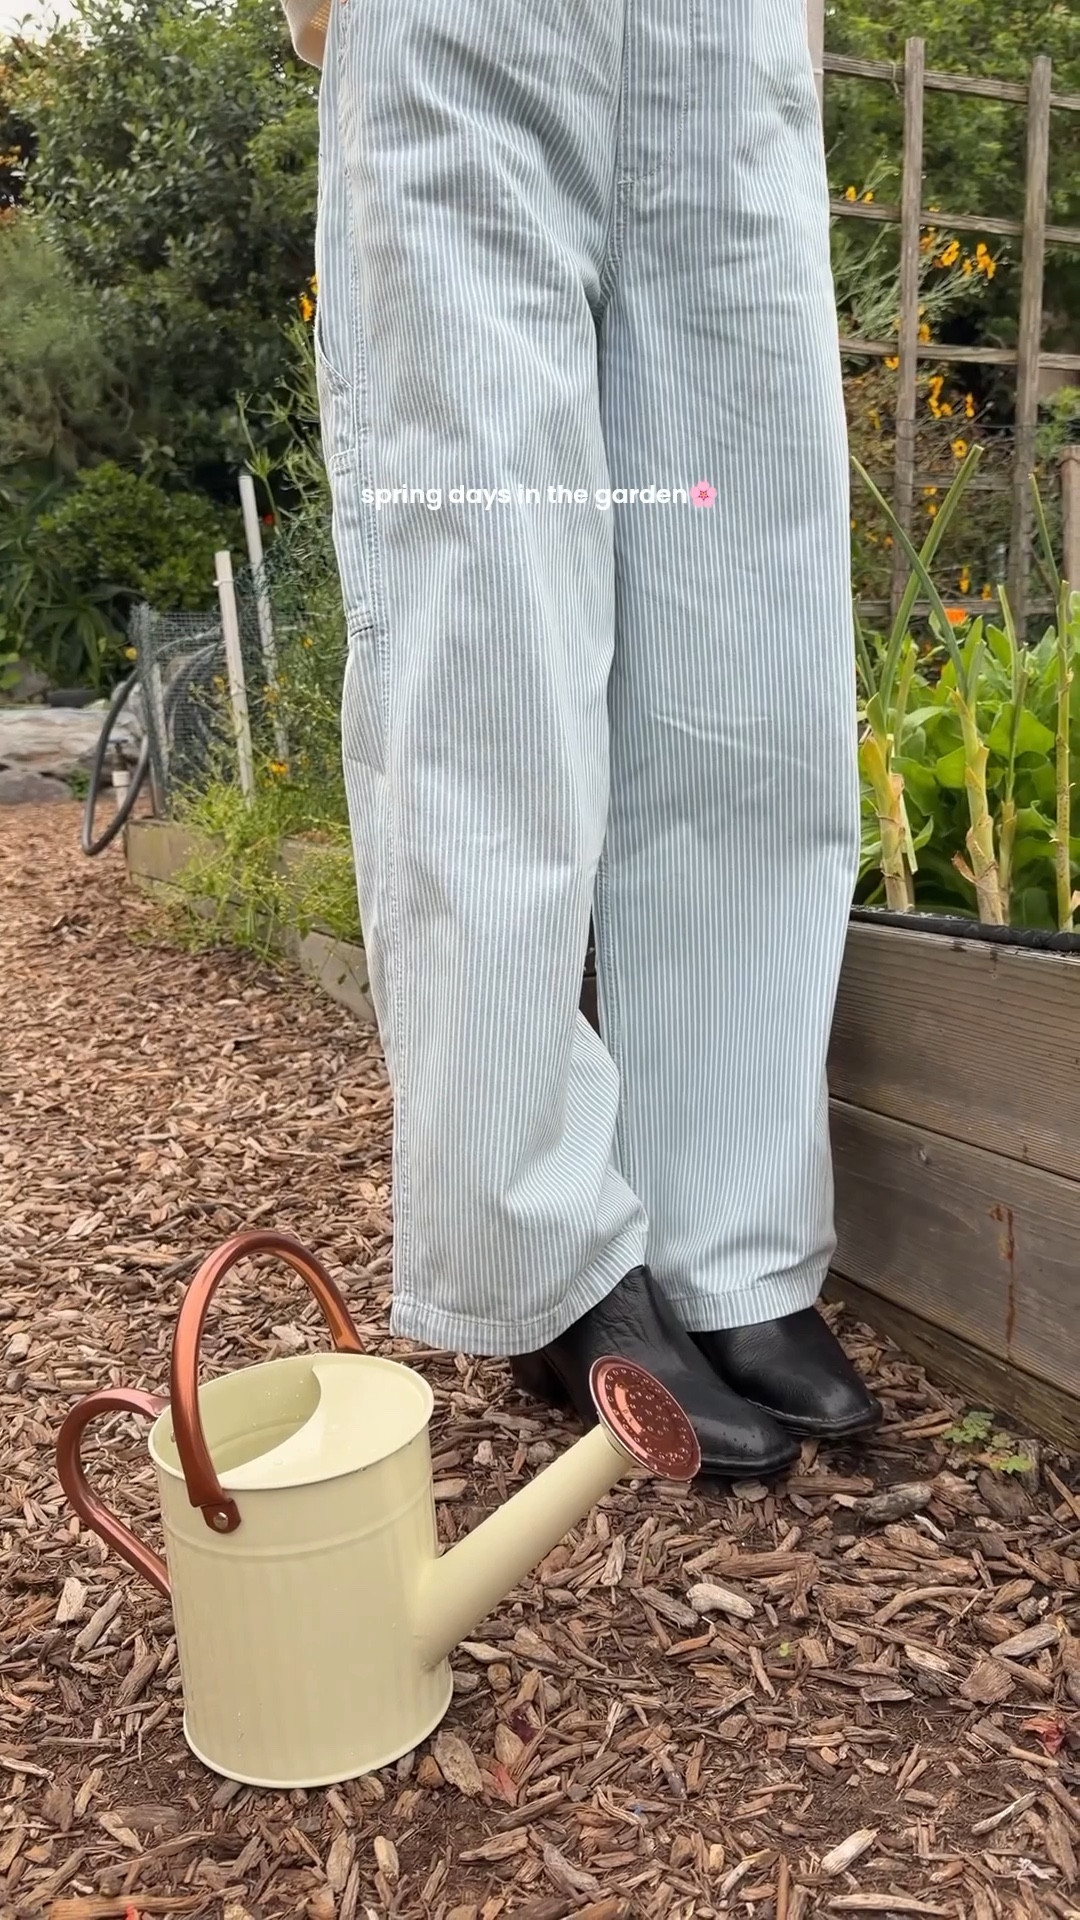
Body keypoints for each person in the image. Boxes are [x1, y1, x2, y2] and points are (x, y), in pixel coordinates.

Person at [283, 0, 882, 1477]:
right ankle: (542, 1255)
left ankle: (730, 1245)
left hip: (725, 34)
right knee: (491, 639)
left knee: (750, 651)